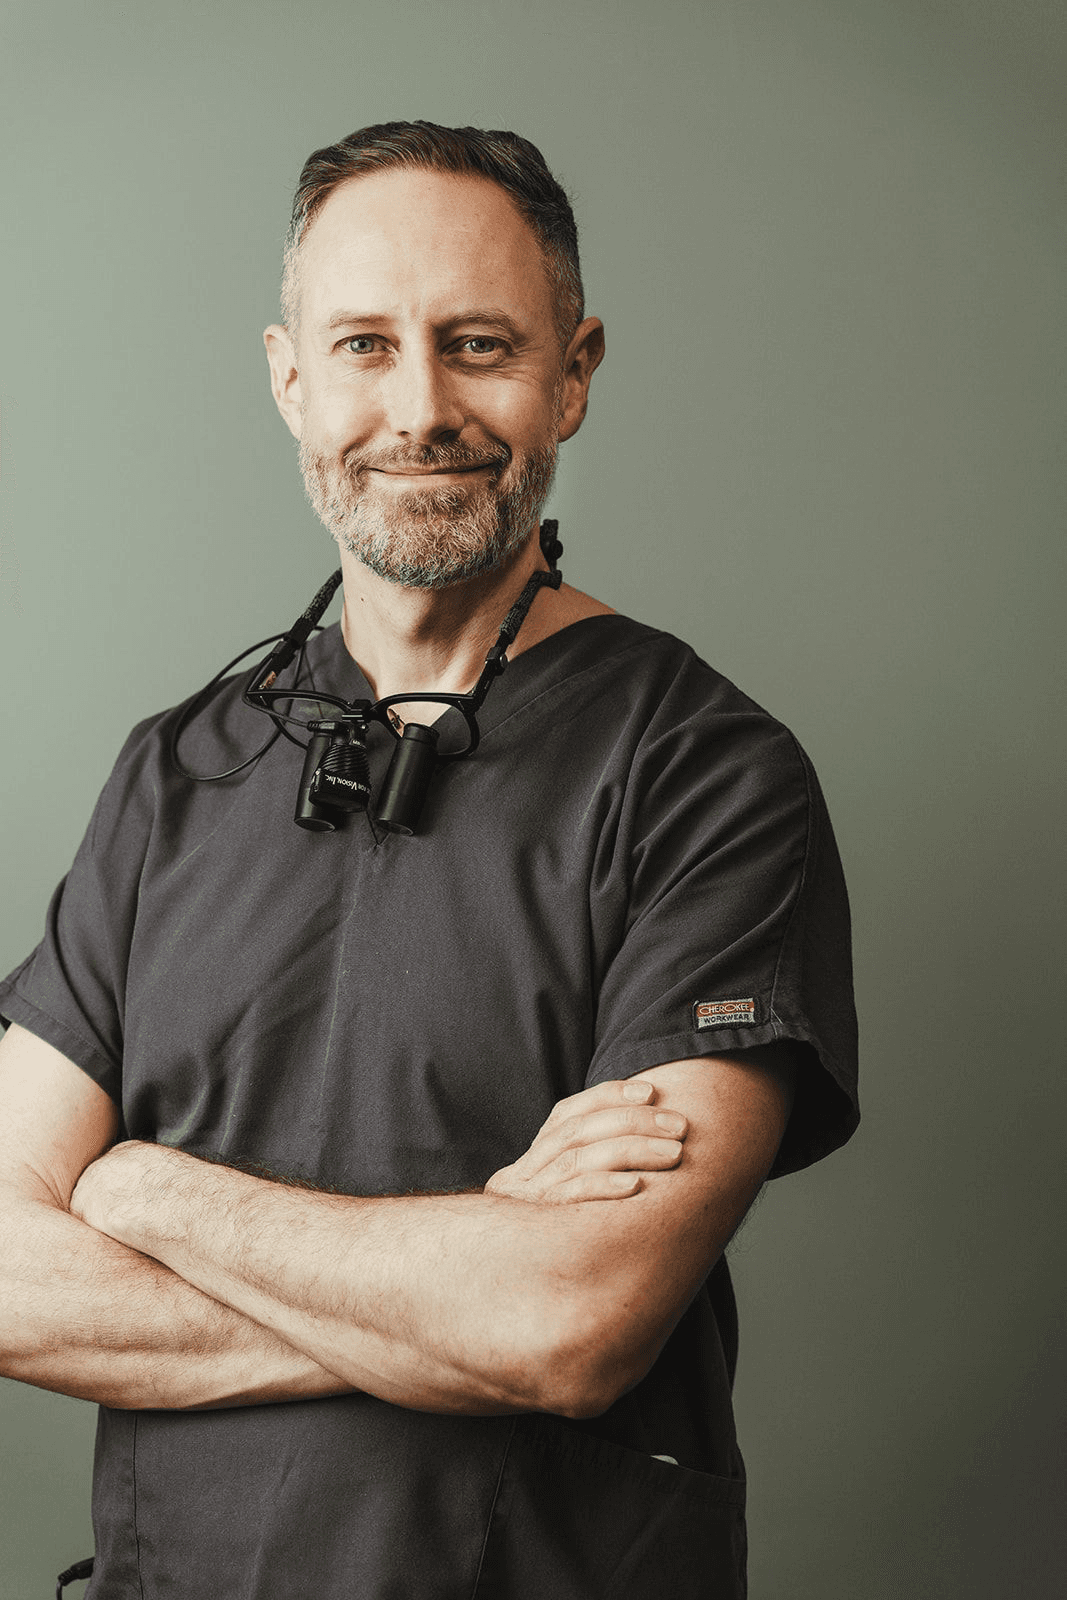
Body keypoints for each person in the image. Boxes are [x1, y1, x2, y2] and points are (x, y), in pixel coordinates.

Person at [0, 122, 858, 1599]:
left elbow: (568, 1325)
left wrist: (143, 1193)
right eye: (363, 346)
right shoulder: (170, 776)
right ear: (289, 376)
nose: (419, 407)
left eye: (476, 345)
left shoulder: (706, 776)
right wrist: (448, 1299)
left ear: (571, 371)